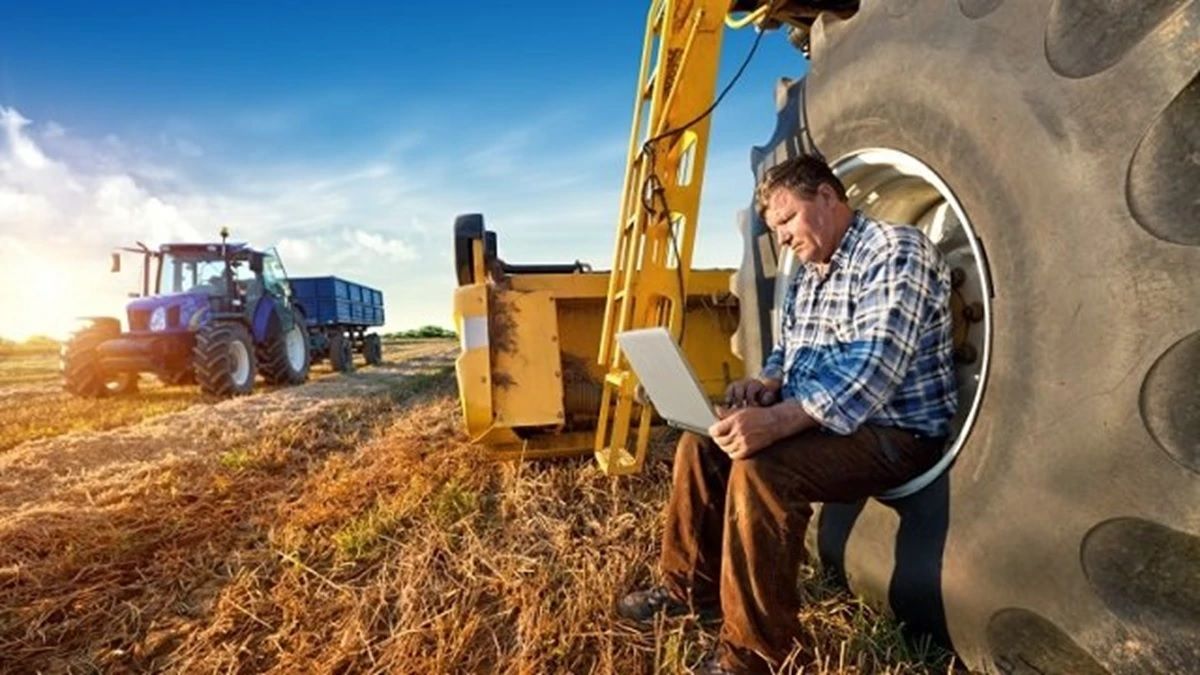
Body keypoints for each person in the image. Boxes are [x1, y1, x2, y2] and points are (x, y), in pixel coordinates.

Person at [616, 154, 958, 674]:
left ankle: (758, 656)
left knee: (761, 469)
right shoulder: (811, 272)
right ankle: (688, 591)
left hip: (894, 432)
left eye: (786, 220)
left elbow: (873, 371)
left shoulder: (894, 251)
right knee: (703, 444)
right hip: (833, 424)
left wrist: (775, 422)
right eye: (774, 229)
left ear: (826, 196)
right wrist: (767, 383)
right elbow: (790, 350)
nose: (782, 239)